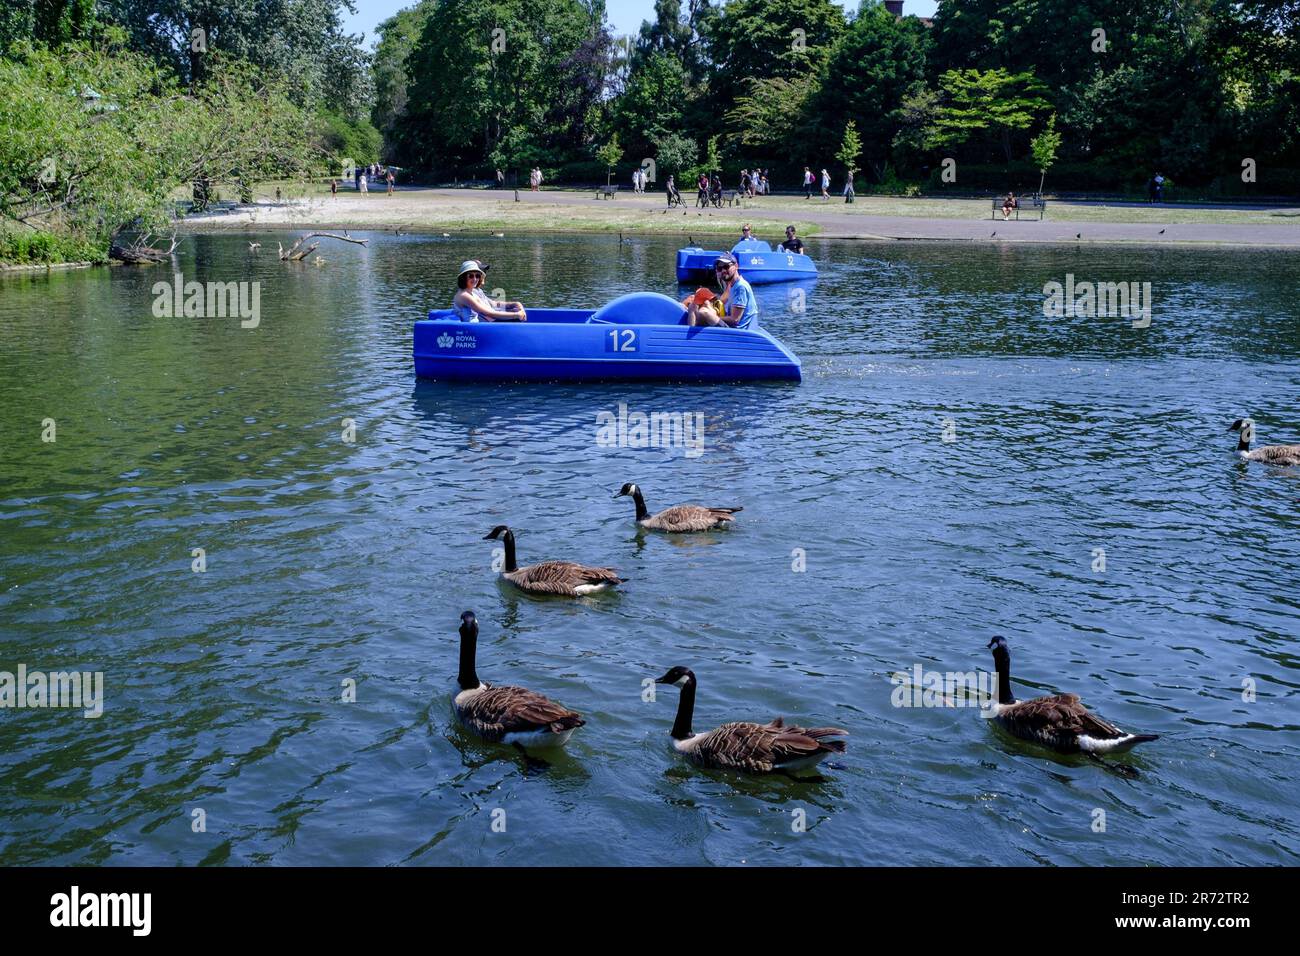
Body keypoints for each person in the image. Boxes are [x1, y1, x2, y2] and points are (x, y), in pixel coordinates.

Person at [688, 254, 757, 328]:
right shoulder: (732, 285)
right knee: (693, 305)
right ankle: (690, 333)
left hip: (737, 330)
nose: (723, 270)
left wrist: (712, 316)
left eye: (726, 267)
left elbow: (735, 319)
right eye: (719, 268)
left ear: (736, 266)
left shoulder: (741, 287)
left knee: (704, 312)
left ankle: (692, 334)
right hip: (729, 324)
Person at [452, 260, 527, 322]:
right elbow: (487, 313)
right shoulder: (464, 295)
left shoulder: (471, 292)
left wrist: (514, 305)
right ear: (463, 277)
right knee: (516, 318)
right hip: (474, 330)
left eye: (477, 276)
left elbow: (493, 305)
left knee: (516, 315)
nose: (475, 279)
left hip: (482, 325)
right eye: (471, 276)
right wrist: (516, 315)